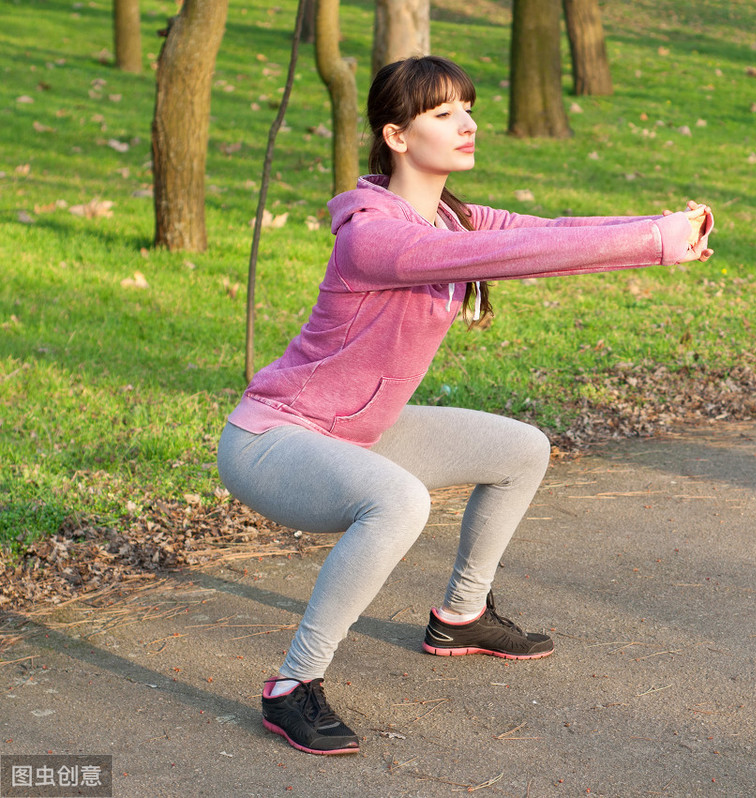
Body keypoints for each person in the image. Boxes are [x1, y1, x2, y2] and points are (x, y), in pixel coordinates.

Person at [216, 55, 714, 757]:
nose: (468, 123)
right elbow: (520, 256)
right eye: (444, 113)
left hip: (356, 431)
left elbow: (550, 234)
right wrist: (654, 242)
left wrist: (662, 229)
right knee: (400, 502)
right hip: (273, 441)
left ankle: (460, 616)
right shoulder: (375, 235)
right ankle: (292, 686)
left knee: (521, 450)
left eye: (469, 108)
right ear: (396, 135)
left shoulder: (454, 219)